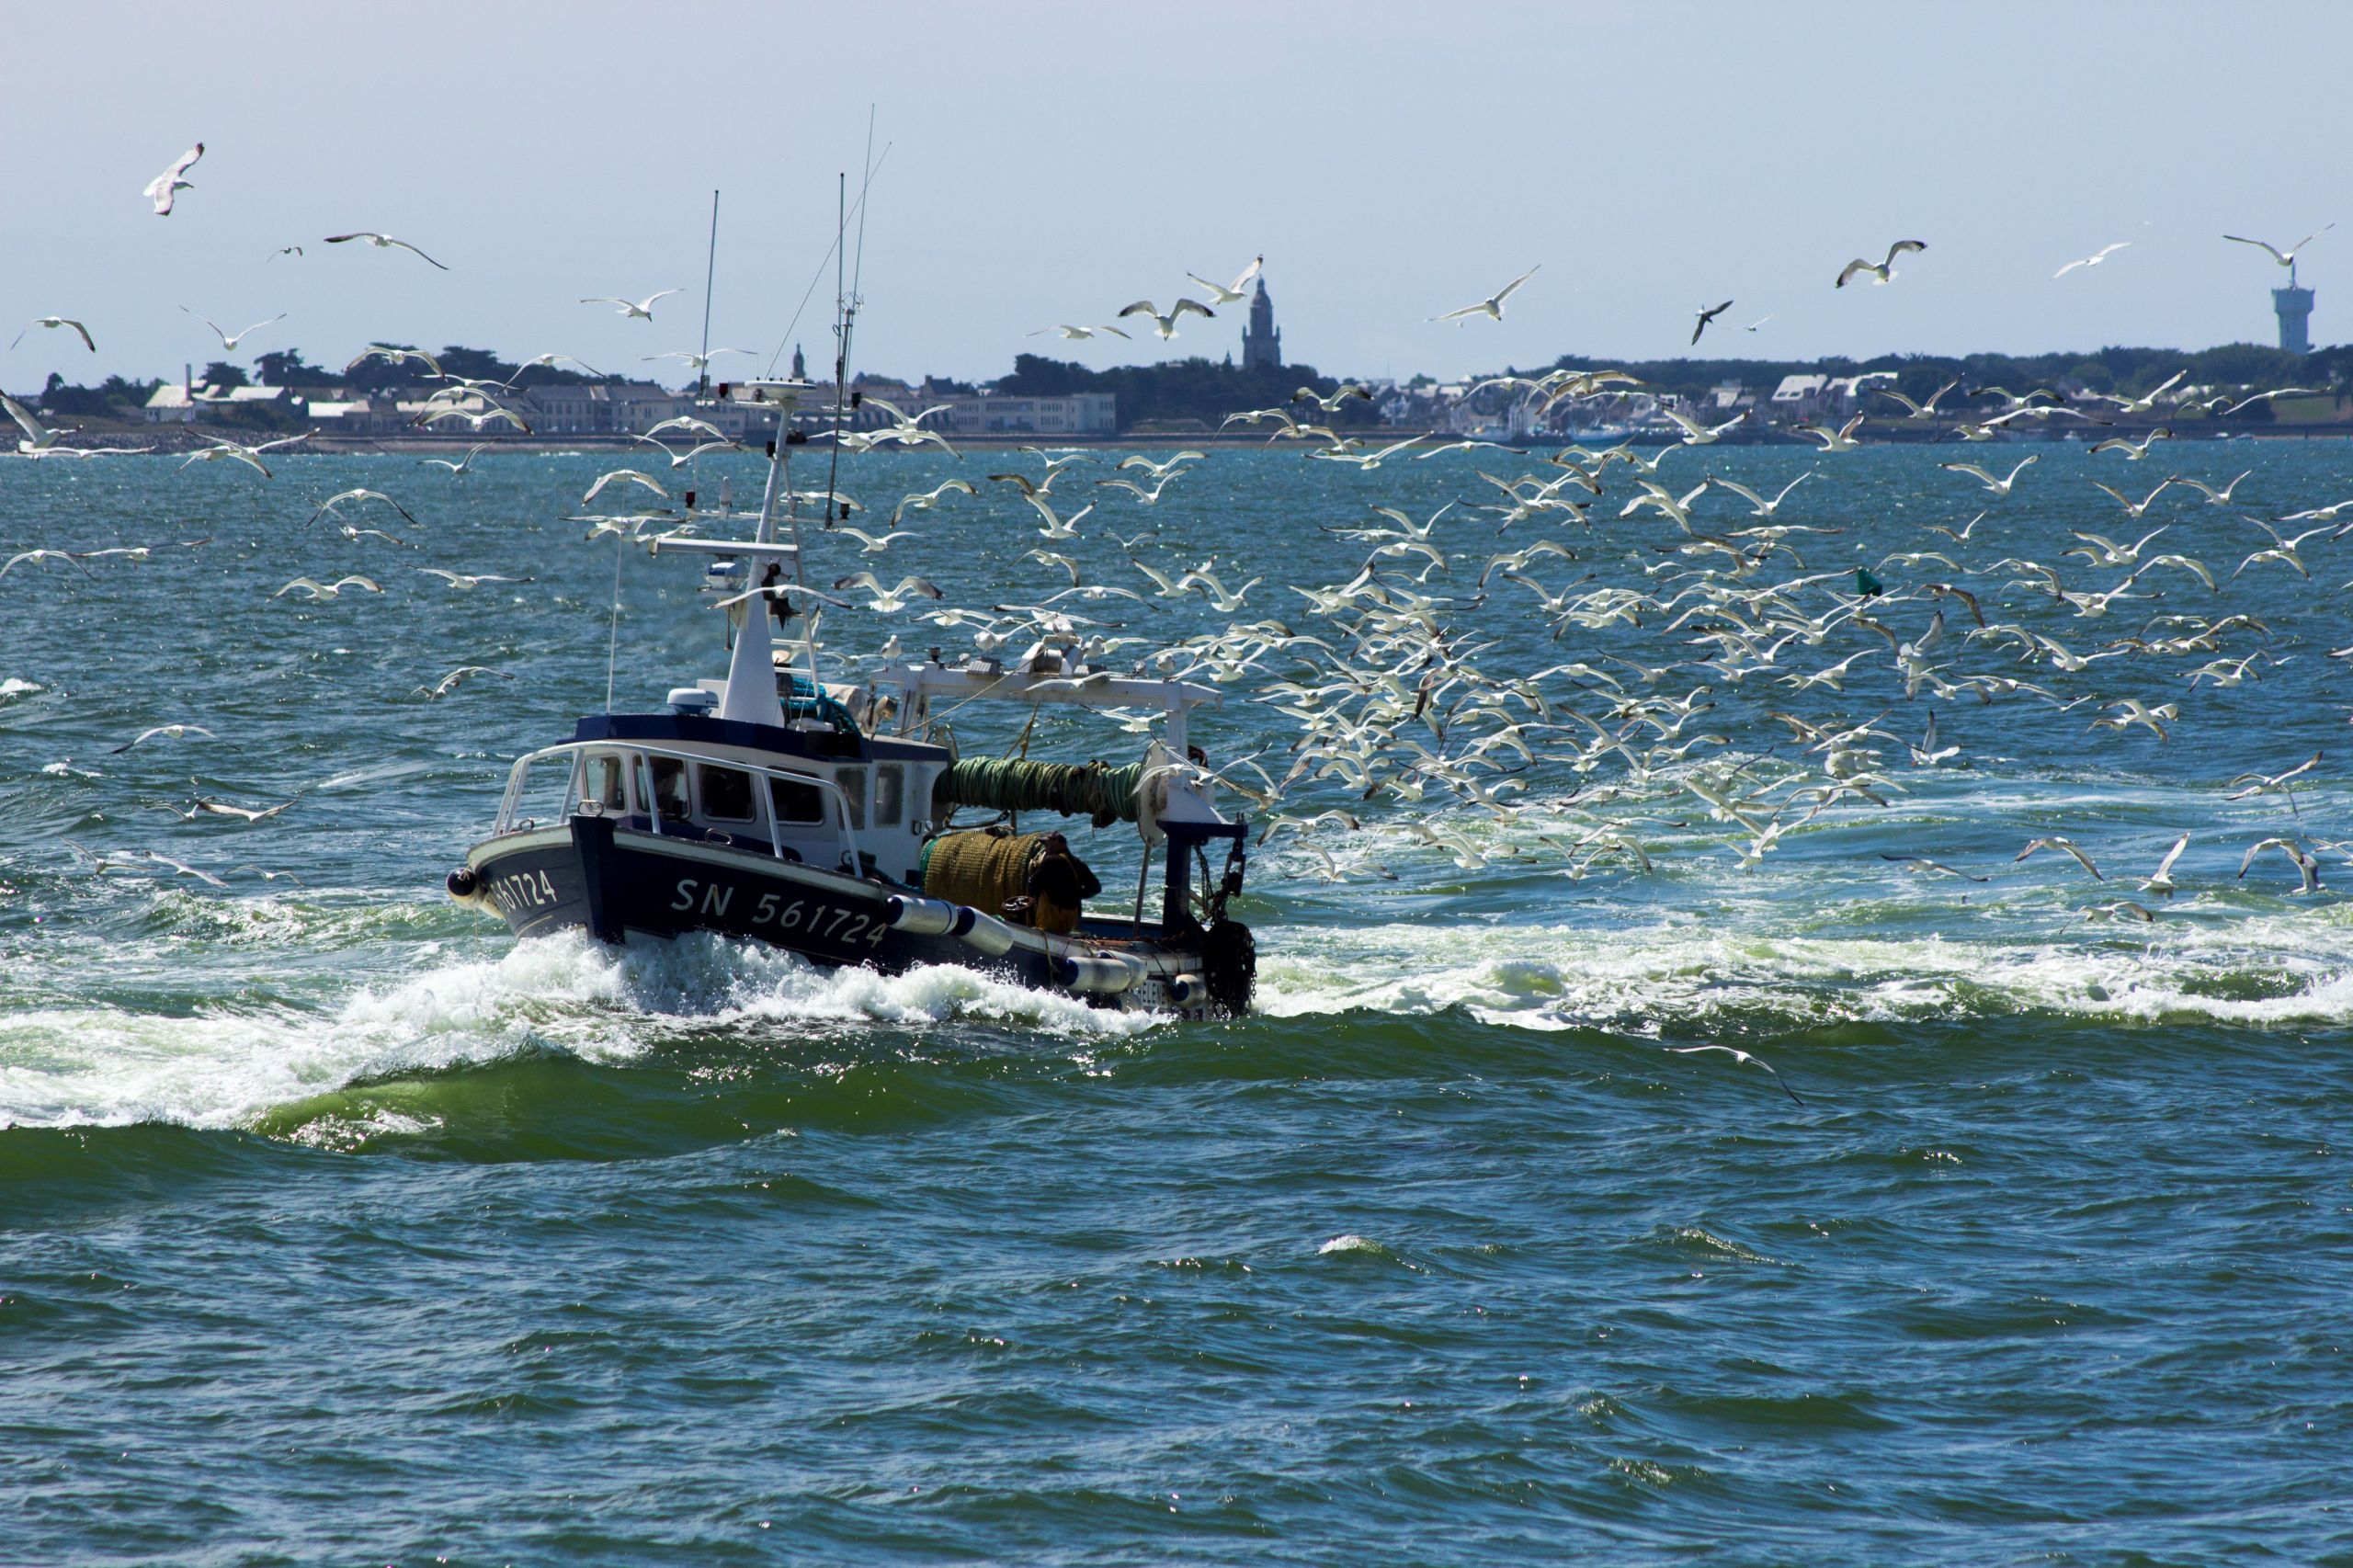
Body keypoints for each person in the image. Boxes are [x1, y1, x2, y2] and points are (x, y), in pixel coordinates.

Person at [1026, 832, 1100, 935]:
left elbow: (1032, 883)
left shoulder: (1050, 861)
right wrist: (1075, 896)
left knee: (1048, 939)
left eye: (1047, 844)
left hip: (1050, 919)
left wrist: (1029, 909)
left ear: (1057, 843)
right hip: (1071, 918)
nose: (1046, 848)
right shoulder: (1077, 863)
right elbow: (1096, 888)